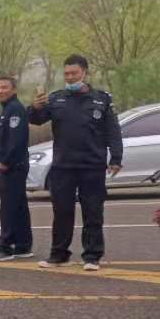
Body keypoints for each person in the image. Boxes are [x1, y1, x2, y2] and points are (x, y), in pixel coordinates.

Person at [28, 55, 122, 271]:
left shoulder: (102, 99)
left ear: (85, 73)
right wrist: (34, 107)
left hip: (92, 166)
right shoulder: (56, 99)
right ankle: (58, 255)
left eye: (74, 73)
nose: (70, 77)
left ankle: (92, 256)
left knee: (93, 213)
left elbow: (113, 131)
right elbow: (36, 119)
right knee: (62, 212)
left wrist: (116, 157)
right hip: (63, 167)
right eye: (67, 74)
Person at [0, 75, 33, 262]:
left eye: (4, 87)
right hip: (12, 166)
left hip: (12, 167)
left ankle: (5, 246)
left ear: (14, 90)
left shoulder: (14, 109)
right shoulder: (7, 109)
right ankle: (23, 245)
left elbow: (16, 140)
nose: (0, 91)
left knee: (9, 207)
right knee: (18, 206)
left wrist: (5, 161)